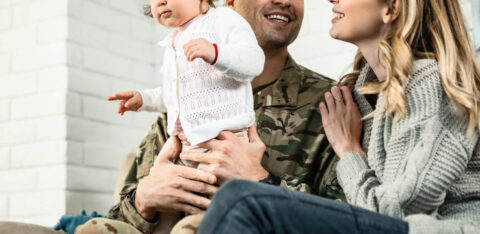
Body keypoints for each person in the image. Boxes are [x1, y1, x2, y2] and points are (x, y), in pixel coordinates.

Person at [197, 0, 480, 233]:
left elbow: (394, 214)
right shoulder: (362, 94)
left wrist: (349, 151)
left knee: (243, 201)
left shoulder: (429, 84)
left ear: (391, 8)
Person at [75, 0, 343, 233]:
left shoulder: (331, 103)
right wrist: (144, 199)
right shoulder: (182, 103)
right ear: (230, 2)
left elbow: (350, 220)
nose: (284, 0)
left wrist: (263, 182)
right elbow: (119, 218)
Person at [107, 0, 264, 169]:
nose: (161, 2)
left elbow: (253, 62)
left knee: (221, 192)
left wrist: (216, 53)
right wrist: (144, 99)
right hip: (185, 144)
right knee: (171, 189)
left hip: (226, 140)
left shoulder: (224, 19)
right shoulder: (173, 41)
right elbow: (175, 95)